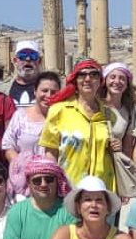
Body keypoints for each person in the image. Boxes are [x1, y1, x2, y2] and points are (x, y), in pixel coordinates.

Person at [40, 59, 116, 192]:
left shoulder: (109, 114)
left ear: (100, 81)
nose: (88, 79)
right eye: (82, 75)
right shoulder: (59, 111)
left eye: (93, 74)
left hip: (102, 189)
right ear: (75, 79)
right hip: (69, 188)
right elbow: (50, 153)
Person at [2, 71, 62, 198]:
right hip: (23, 182)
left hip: (51, 184)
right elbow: (8, 145)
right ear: (35, 91)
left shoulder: (63, 118)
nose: (48, 95)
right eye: (44, 90)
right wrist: (23, 166)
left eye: (54, 92)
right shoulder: (20, 116)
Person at [102, 62, 136, 195]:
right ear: (105, 80)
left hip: (114, 168)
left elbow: (128, 147)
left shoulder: (129, 111)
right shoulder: (96, 105)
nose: (117, 81)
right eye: (112, 77)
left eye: (122, 78)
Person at [4, 40, 43, 105]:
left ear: (39, 61)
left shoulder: (51, 89)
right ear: (15, 61)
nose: (28, 59)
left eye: (33, 55)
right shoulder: (4, 91)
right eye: (22, 55)